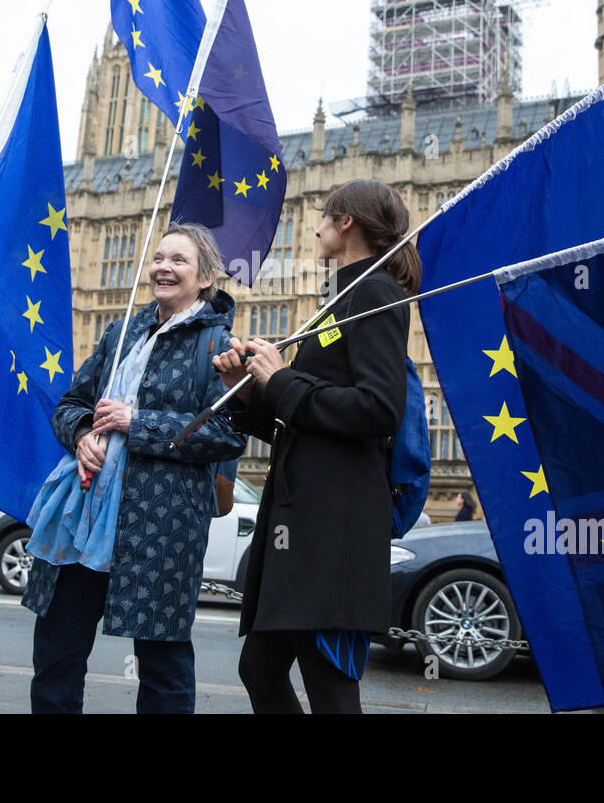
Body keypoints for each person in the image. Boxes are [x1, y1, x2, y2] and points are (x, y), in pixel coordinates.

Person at [213, 178, 419, 713]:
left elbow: (378, 409)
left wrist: (281, 380)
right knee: (259, 669)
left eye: (324, 216)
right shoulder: (341, 298)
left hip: (335, 525)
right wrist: (247, 388)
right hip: (302, 522)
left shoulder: (374, 293)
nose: (317, 227)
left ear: (346, 222)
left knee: (328, 681)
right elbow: (301, 417)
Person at [22, 223, 245, 714]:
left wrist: (136, 421)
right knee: (56, 657)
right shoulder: (121, 331)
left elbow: (227, 434)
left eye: (179, 260)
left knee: (162, 670)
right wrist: (82, 436)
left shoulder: (217, 346)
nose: (164, 267)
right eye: (159, 258)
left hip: (157, 532)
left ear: (206, 276)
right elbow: (71, 404)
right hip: (81, 521)